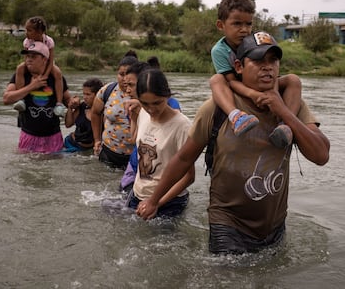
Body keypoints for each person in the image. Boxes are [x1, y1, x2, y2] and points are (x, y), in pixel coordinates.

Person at [136, 32, 330, 254]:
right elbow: (183, 158)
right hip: (227, 224)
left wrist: (284, 112)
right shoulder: (217, 108)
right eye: (258, 61)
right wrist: (153, 200)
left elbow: (321, 155)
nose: (267, 68)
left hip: (274, 224)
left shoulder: (292, 104)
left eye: (273, 61)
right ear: (239, 66)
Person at [210, 0, 302, 148]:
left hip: (259, 82)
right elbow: (231, 81)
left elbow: (272, 73)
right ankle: (236, 116)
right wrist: (254, 95)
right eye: (237, 24)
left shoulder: (254, 41)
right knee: (216, 80)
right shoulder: (219, 50)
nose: (244, 30)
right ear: (221, 25)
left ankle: (287, 125)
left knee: (293, 80)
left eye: (248, 24)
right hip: (237, 86)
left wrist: (272, 95)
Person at [126, 68, 195, 217]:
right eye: (145, 103)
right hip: (138, 195)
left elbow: (189, 176)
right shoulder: (142, 113)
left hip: (169, 201)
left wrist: (155, 202)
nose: (151, 109)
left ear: (167, 96)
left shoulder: (182, 126)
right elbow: (136, 143)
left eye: (157, 103)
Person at [120, 61, 181, 193]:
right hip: (138, 170)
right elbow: (134, 139)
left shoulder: (171, 107)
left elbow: (167, 136)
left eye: (131, 85)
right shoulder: (136, 107)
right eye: (126, 85)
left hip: (157, 176)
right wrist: (136, 116)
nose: (127, 90)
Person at [3, 42, 70, 153]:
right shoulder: (22, 76)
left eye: (33, 57)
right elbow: (6, 99)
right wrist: (31, 86)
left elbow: (68, 99)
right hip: (28, 135)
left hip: (53, 136)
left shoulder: (55, 77)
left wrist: (75, 103)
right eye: (28, 56)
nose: (29, 59)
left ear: (44, 59)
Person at [91, 54, 138, 169]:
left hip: (135, 156)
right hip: (109, 151)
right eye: (121, 74)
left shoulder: (143, 93)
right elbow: (95, 113)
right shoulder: (107, 90)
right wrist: (97, 140)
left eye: (128, 75)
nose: (124, 78)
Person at [13, 16, 65, 117]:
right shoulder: (27, 41)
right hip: (32, 62)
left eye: (29, 30)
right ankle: (21, 100)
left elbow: (50, 60)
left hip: (46, 62)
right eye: (26, 30)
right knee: (19, 68)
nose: (26, 33)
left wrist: (45, 75)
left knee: (58, 73)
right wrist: (31, 70)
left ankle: (59, 104)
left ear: (40, 32)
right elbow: (27, 57)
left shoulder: (49, 41)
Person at [63, 78, 103, 152]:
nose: (84, 97)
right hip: (71, 143)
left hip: (89, 148)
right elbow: (68, 125)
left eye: (88, 94)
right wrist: (70, 108)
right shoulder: (82, 107)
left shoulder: (103, 112)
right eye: (83, 94)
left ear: (98, 94)